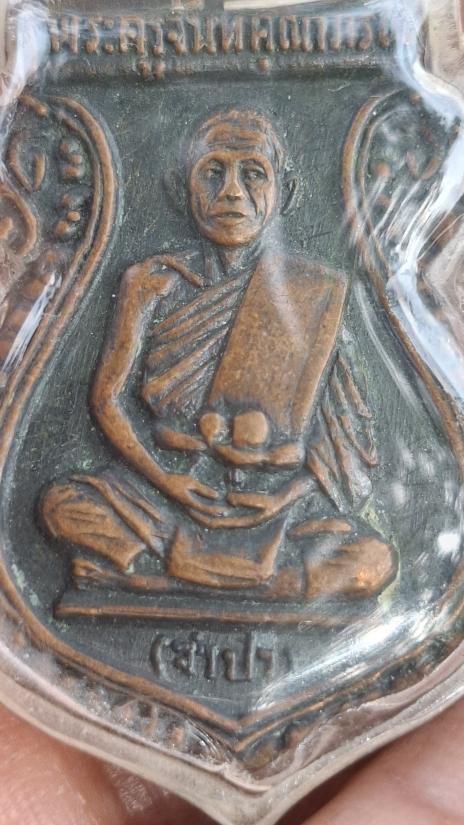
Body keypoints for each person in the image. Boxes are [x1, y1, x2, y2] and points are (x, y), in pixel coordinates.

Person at [40, 109, 395, 603]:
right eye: (212, 172)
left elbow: (340, 449)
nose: (231, 192)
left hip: (271, 512)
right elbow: (105, 402)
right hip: (164, 497)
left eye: (253, 174)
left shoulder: (312, 292)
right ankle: (255, 584)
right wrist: (168, 482)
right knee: (60, 504)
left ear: (285, 191)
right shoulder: (149, 282)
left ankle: (149, 579)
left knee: (372, 561)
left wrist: (279, 499)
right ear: (179, 189)